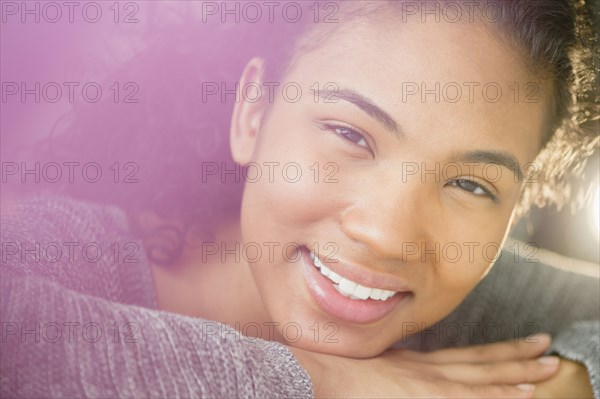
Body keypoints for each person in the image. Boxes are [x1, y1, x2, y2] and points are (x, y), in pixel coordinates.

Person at [1, 0, 598, 398]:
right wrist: (332, 381)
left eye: (471, 185)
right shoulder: (56, 251)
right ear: (253, 111)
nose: (388, 235)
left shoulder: (469, 310)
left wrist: (567, 382)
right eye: (350, 135)